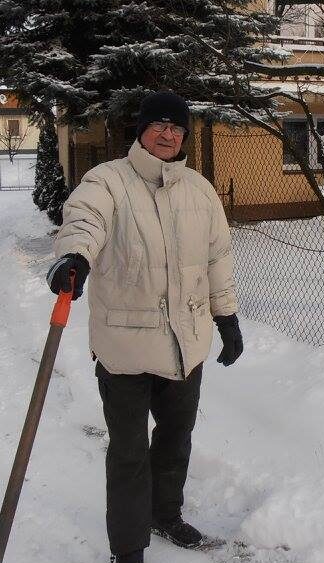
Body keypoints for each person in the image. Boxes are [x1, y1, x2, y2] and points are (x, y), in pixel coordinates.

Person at [46, 91, 243, 563]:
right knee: (129, 453)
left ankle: (165, 515)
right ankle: (128, 546)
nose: (167, 133)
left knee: (176, 439)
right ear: (141, 130)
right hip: (126, 348)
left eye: (176, 127)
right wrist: (75, 254)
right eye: (158, 124)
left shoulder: (200, 189)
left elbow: (216, 258)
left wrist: (227, 316)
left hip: (186, 344)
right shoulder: (109, 179)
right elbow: (85, 217)